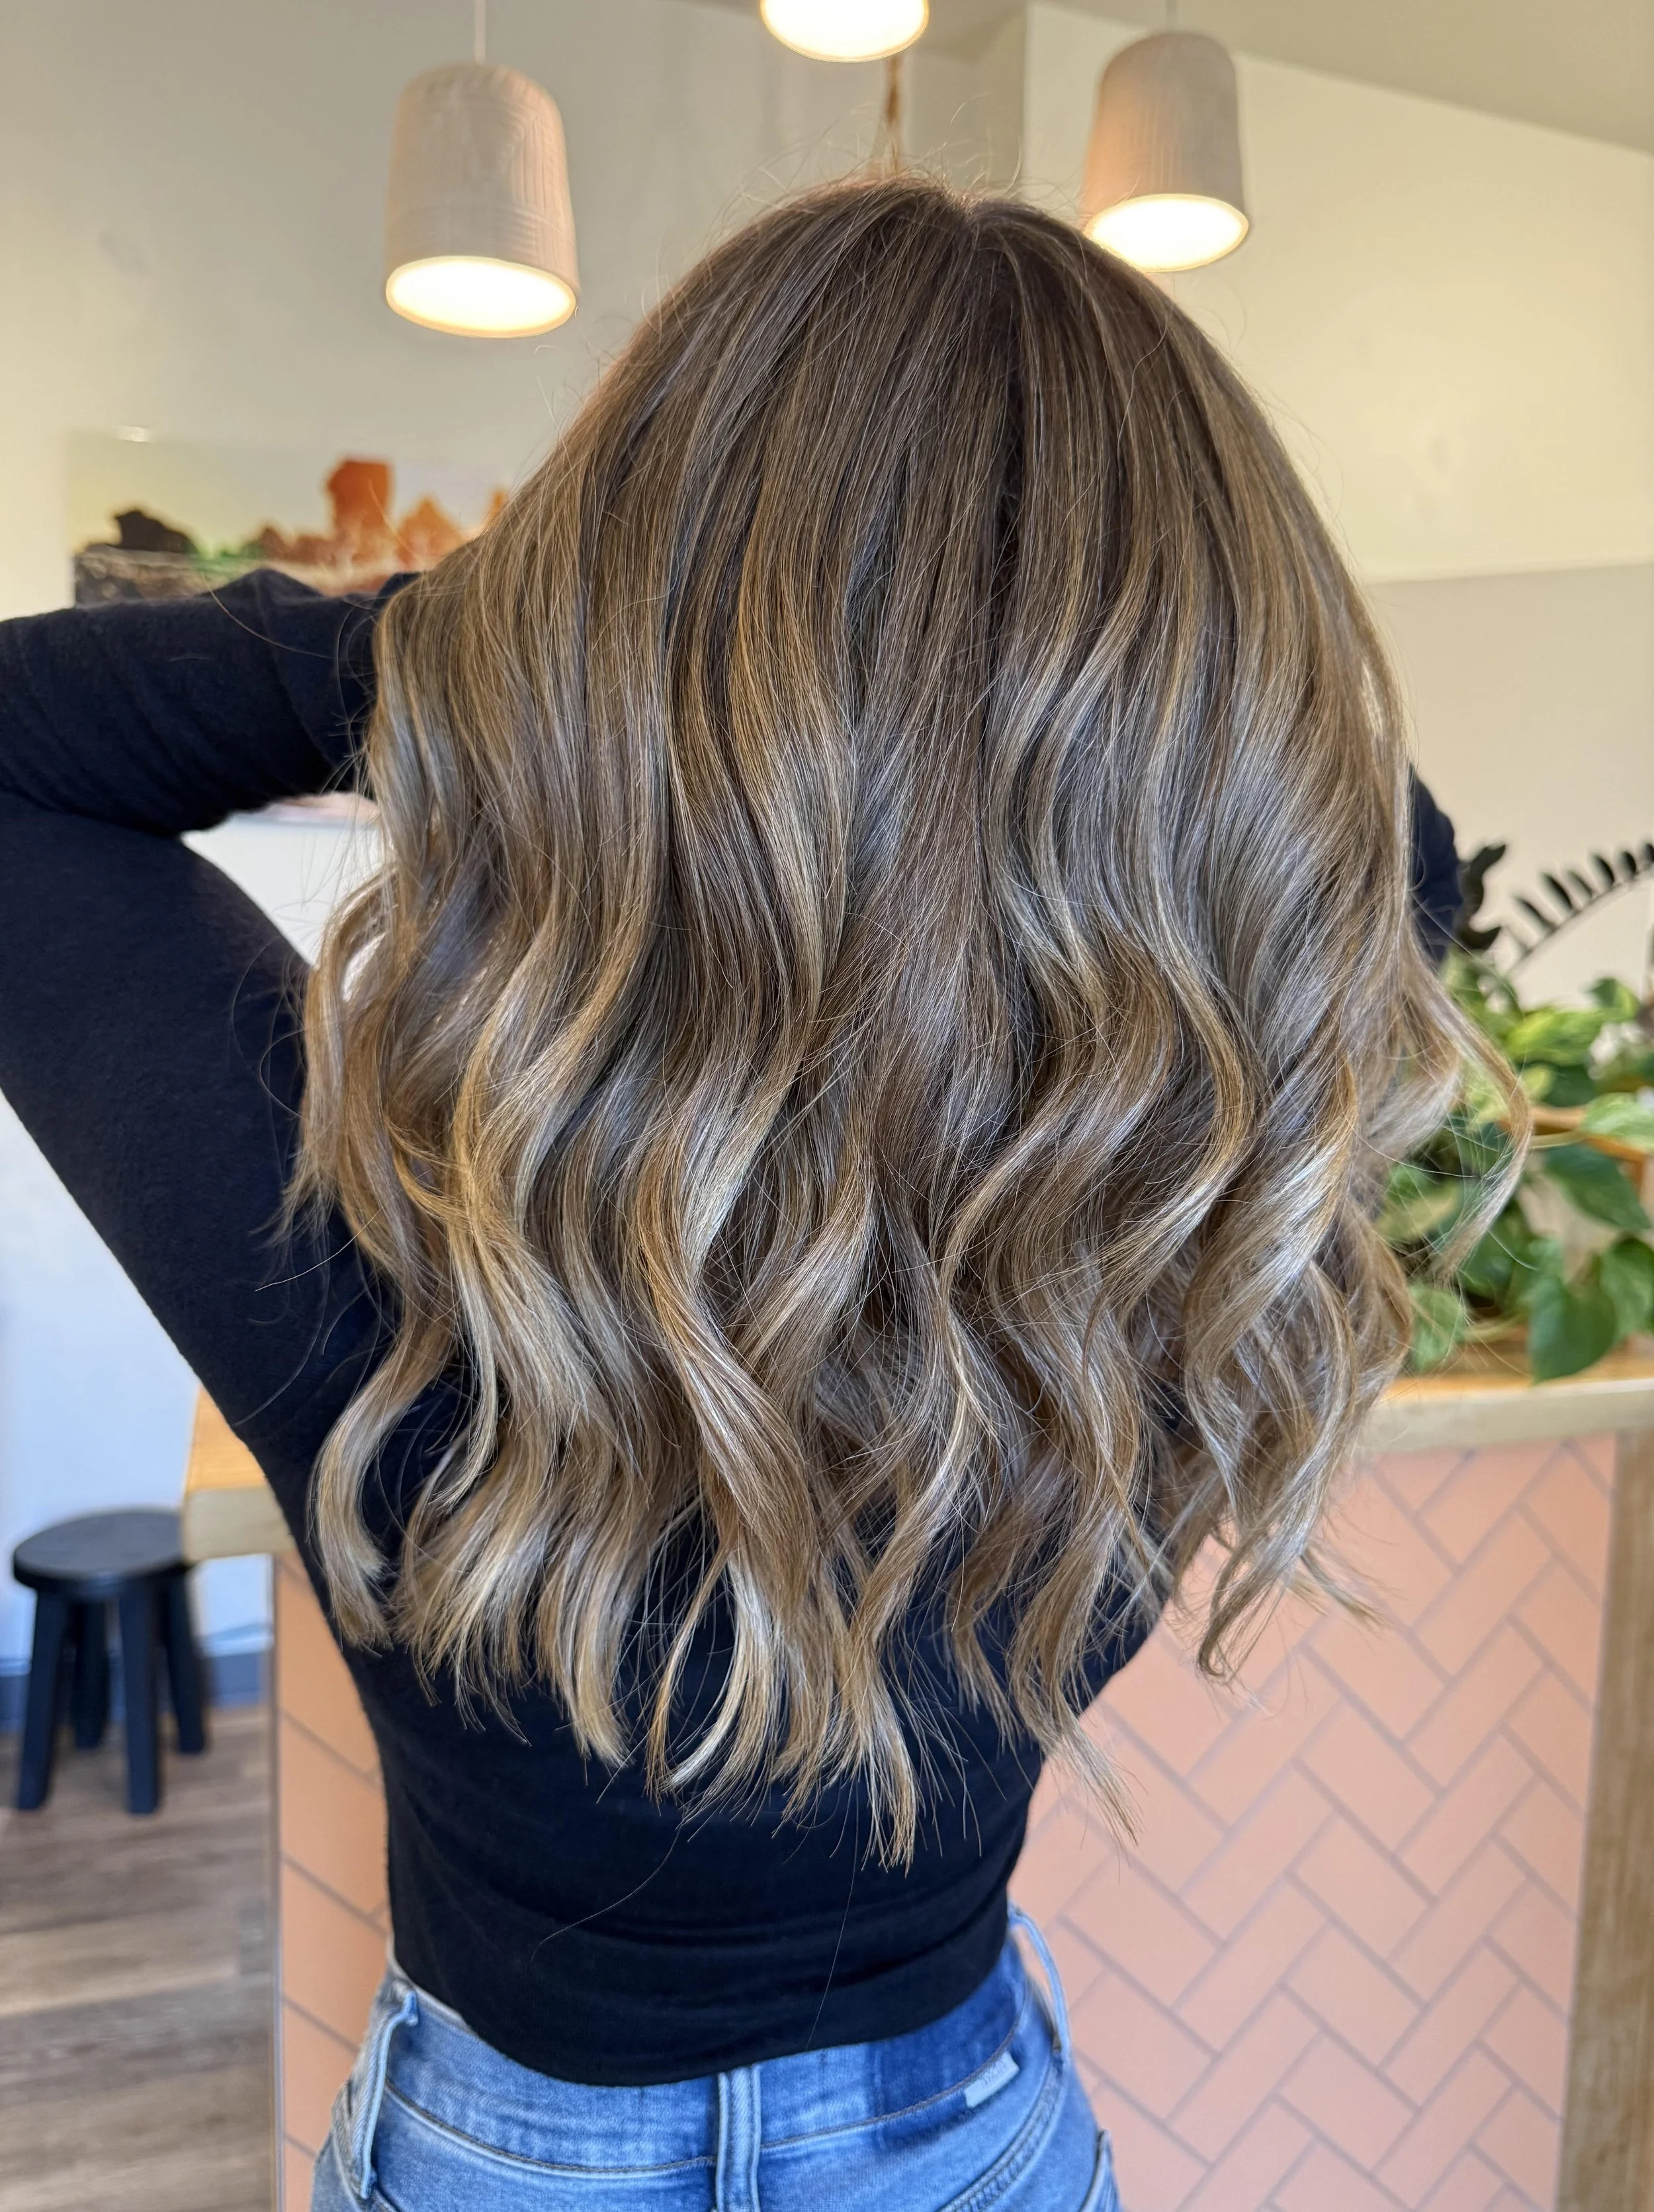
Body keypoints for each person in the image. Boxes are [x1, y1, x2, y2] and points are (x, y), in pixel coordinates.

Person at [0, 178, 1511, 2211]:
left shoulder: (389, 1256)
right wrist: (1107, 681)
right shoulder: (1153, 1233)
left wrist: (473, 642)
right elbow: (1387, 841)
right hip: (969, 2143)